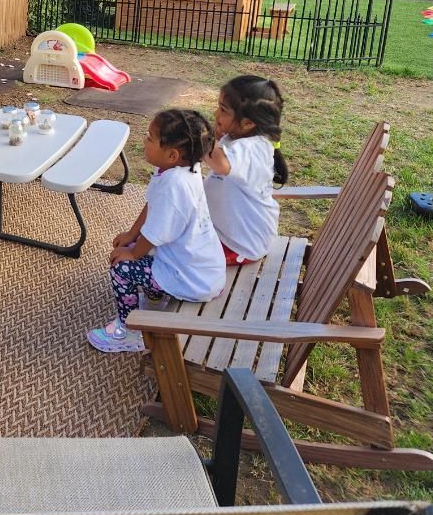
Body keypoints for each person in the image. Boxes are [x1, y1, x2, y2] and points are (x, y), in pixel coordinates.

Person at [87, 110, 226, 354]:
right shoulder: (177, 170)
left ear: (172, 155)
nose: (144, 141)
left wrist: (133, 253)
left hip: (192, 279)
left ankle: (130, 332)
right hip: (197, 266)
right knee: (129, 249)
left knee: (121, 267)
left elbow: (155, 235)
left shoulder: (175, 186)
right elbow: (152, 203)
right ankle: (154, 298)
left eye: (150, 138)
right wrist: (131, 235)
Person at [203, 75, 288, 265]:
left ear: (248, 123)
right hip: (227, 233)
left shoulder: (253, 148)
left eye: (223, 110)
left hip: (240, 244)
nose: (216, 113)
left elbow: (220, 163)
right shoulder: (237, 139)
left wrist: (199, 135)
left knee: (173, 252)